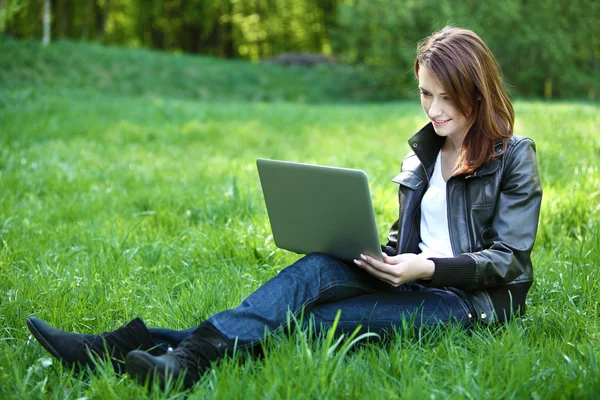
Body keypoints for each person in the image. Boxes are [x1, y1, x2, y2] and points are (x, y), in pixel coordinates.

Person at [26, 26, 542, 389]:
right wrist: (373, 254)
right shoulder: (425, 151)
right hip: (409, 275)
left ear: (475, 91)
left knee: (309, 321)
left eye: (444, 97)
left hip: (467, 303)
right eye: (425, 95)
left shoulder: (515, 156)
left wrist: (425, 268)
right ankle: (167, 360)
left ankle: (121, 352)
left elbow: (510, 260)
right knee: (313, 272)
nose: (432, 109)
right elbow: (405, 241)